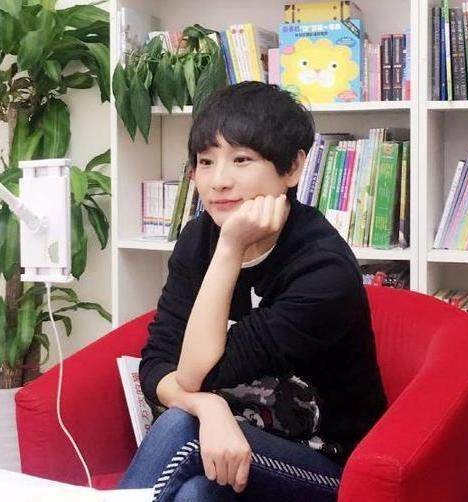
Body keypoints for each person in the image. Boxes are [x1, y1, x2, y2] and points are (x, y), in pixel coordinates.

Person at [117, 81, 387, 501]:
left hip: (329, 467)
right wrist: (208, 406)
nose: (218, 181)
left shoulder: (323, 268)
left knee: (182, 428)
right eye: (206, 162)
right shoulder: (197, 239)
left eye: (241, 159)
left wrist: (230, 249)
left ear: (292, 168)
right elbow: (156, 365)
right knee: (195, 494)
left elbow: (193, 376)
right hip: (232, 444)